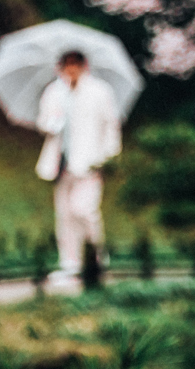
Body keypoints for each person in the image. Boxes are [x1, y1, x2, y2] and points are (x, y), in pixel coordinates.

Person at [34, 50, 122, 286]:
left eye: (75, 64)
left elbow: (110, 126)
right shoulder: (54, 91)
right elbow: (43, 122)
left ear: (83, 66)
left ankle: (95, 259)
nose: (71, 69)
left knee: (84, 210)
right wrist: (54, 120)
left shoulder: (99, 91)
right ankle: (70, 264)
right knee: (64, 216)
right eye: (67, 64)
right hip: (61, 163)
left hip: (90, 163)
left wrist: (108, 157)